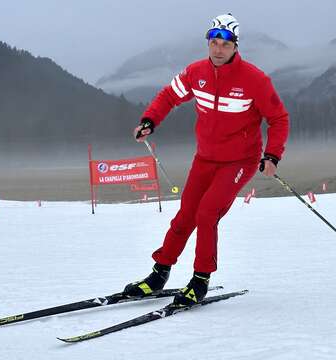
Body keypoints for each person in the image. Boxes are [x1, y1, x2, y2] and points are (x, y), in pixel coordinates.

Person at [123, 13, 289, 306]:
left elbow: (279, 119)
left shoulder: (255, 79)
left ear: (235, 46)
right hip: (205, 159)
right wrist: (149, 120)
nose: (218, 49)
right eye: (213, 42)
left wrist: (272, 155)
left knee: (207, 214)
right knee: (185, 215)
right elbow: (168, 96)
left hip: (240, 161)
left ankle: (200, 279)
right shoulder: (195, 72)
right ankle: (159, 275)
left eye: (225, 44)